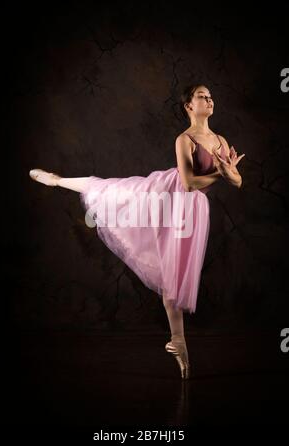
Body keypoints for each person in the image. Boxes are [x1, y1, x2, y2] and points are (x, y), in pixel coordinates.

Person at [29, 84, 245, 380]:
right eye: (201, 96)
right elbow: (189, 182)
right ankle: (58, 181)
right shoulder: (185, 140)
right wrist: (222, 172)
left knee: (175, 275)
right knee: (114, 192)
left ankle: (178, 341)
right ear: (188, 106)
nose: (209, 99)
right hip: (166, 196)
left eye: (210, 96)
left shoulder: (220, 140)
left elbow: (238, 181)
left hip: (193, 211)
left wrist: (230, 171)